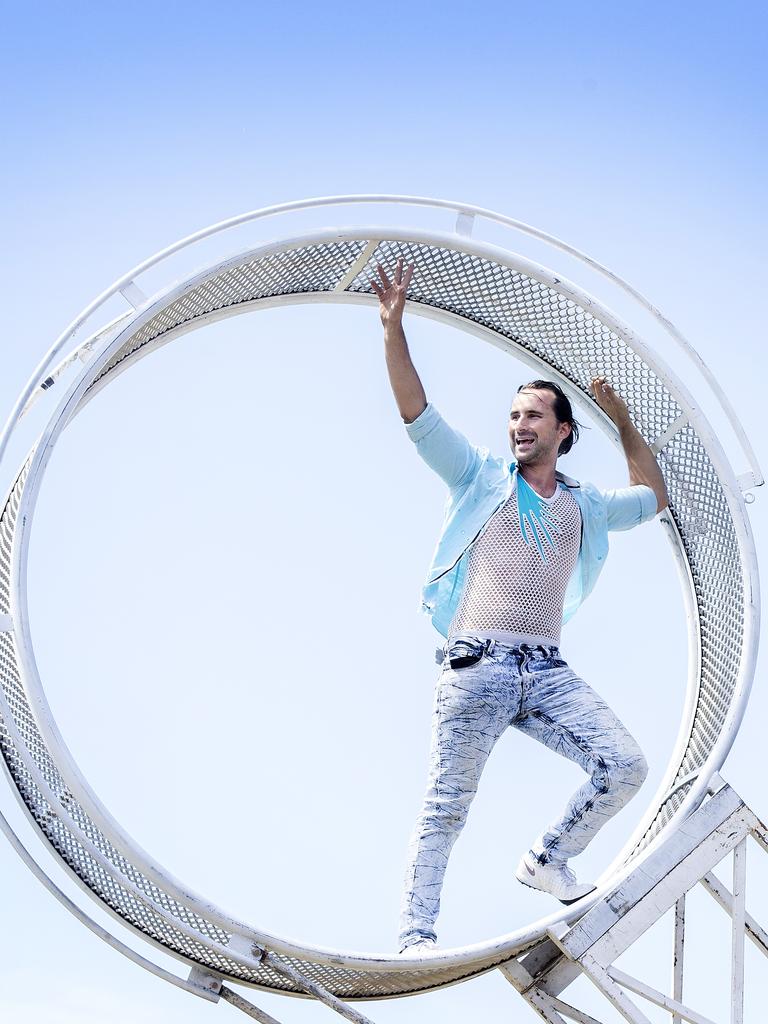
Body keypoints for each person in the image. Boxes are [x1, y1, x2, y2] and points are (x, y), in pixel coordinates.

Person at [371, 258, 669, 956]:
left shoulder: (585, 506)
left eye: (533, 415)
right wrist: (393, 332)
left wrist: (622, 420)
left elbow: (653, 497)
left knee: (624, 764)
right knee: (447, 807)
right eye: (512, 415)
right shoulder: (477, 476)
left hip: (548, 670)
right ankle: (415, 934)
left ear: (564, 431)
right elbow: (417, 415)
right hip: (477, 665)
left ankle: (547, 857)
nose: (518, 425)